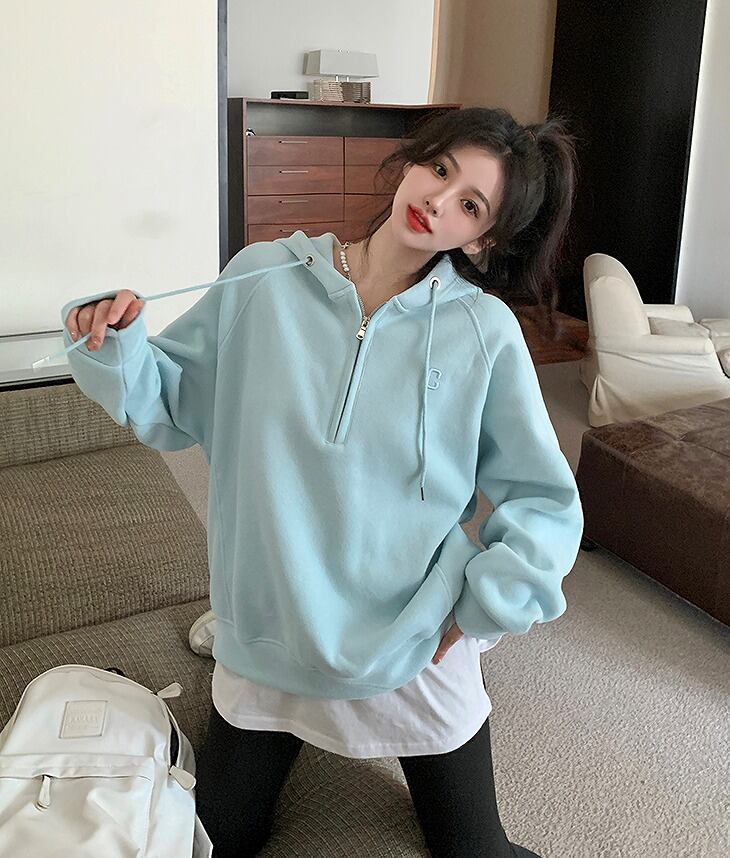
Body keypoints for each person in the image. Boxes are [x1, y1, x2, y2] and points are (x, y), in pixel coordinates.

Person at [62, 106, 584, 858]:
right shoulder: (262, 277)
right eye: (439, 169)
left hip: (412, 633)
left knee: (476, 851)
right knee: (219, 839)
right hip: (268, 626)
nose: (437, 200)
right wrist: (114, 339)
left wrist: (486, 605)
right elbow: (171, 401)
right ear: (413, 161)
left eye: (470, 204)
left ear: (484, 239)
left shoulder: (484, 331)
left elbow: (542, 495)